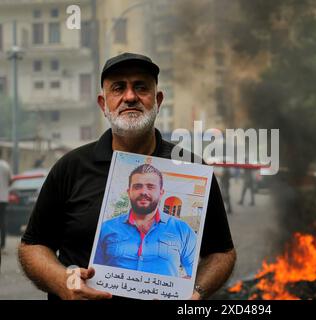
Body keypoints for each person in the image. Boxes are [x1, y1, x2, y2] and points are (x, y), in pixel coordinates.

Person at [18, 52, 236, 300]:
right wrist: (62, 281)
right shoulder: (70, 167)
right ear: (103, 104)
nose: (130, 96)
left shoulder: (193, 167)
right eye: (118, 88)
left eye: (141, 87)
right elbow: (32, 246)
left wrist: (195, 293)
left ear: (158, 100)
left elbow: (222, 252)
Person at [94, 164, 197, 278]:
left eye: (150, 186)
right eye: (137, 186)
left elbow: (194, 272)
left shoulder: (182, 230)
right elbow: (94, 271)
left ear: (161, 193)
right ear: (129, 192)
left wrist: (184, 289)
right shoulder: (106, 228)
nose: (143, 192)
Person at [0, 159, 12, 251]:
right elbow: (10, 181)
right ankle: (2, 244)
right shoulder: (5, 166)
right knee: (2, 220)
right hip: (3, 198)